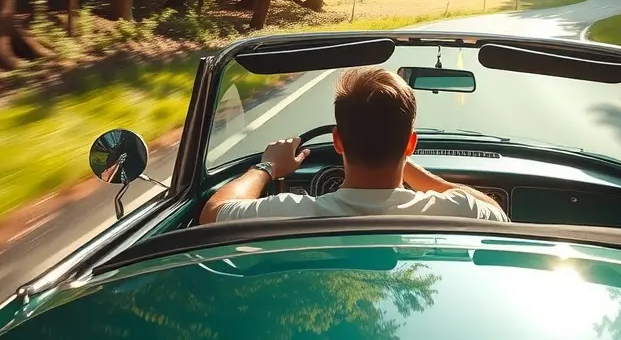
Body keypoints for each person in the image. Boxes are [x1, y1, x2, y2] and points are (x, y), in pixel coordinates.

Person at [199, 67, 508, 224]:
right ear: (411, 144)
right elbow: (495, 211)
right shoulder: (455, 211)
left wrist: (267, 167)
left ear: (338, 141)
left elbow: (213, 212)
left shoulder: (294, 213)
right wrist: (405, 162)